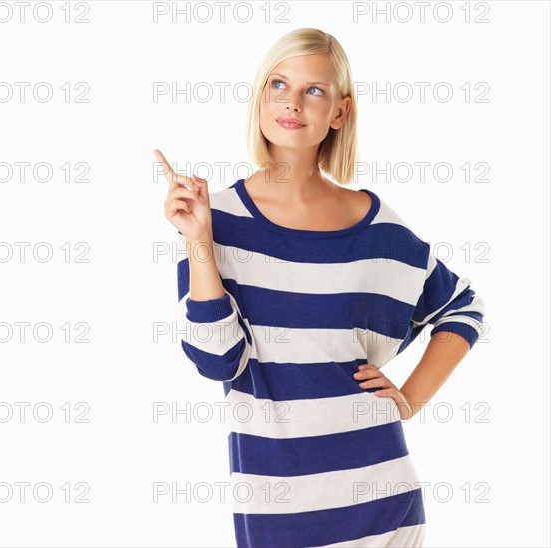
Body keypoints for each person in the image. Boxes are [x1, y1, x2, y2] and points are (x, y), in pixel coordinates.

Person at [158, 27, 485, 548]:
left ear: (339, 112)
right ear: (260, 96)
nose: (291, 101)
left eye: (314, 89)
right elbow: (216, 361)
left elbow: (462, 308)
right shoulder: (213, 218)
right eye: (278, 84)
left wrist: (411, 398)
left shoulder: (379, 227)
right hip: (279, 516)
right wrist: (198, 240)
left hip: (386, 506)